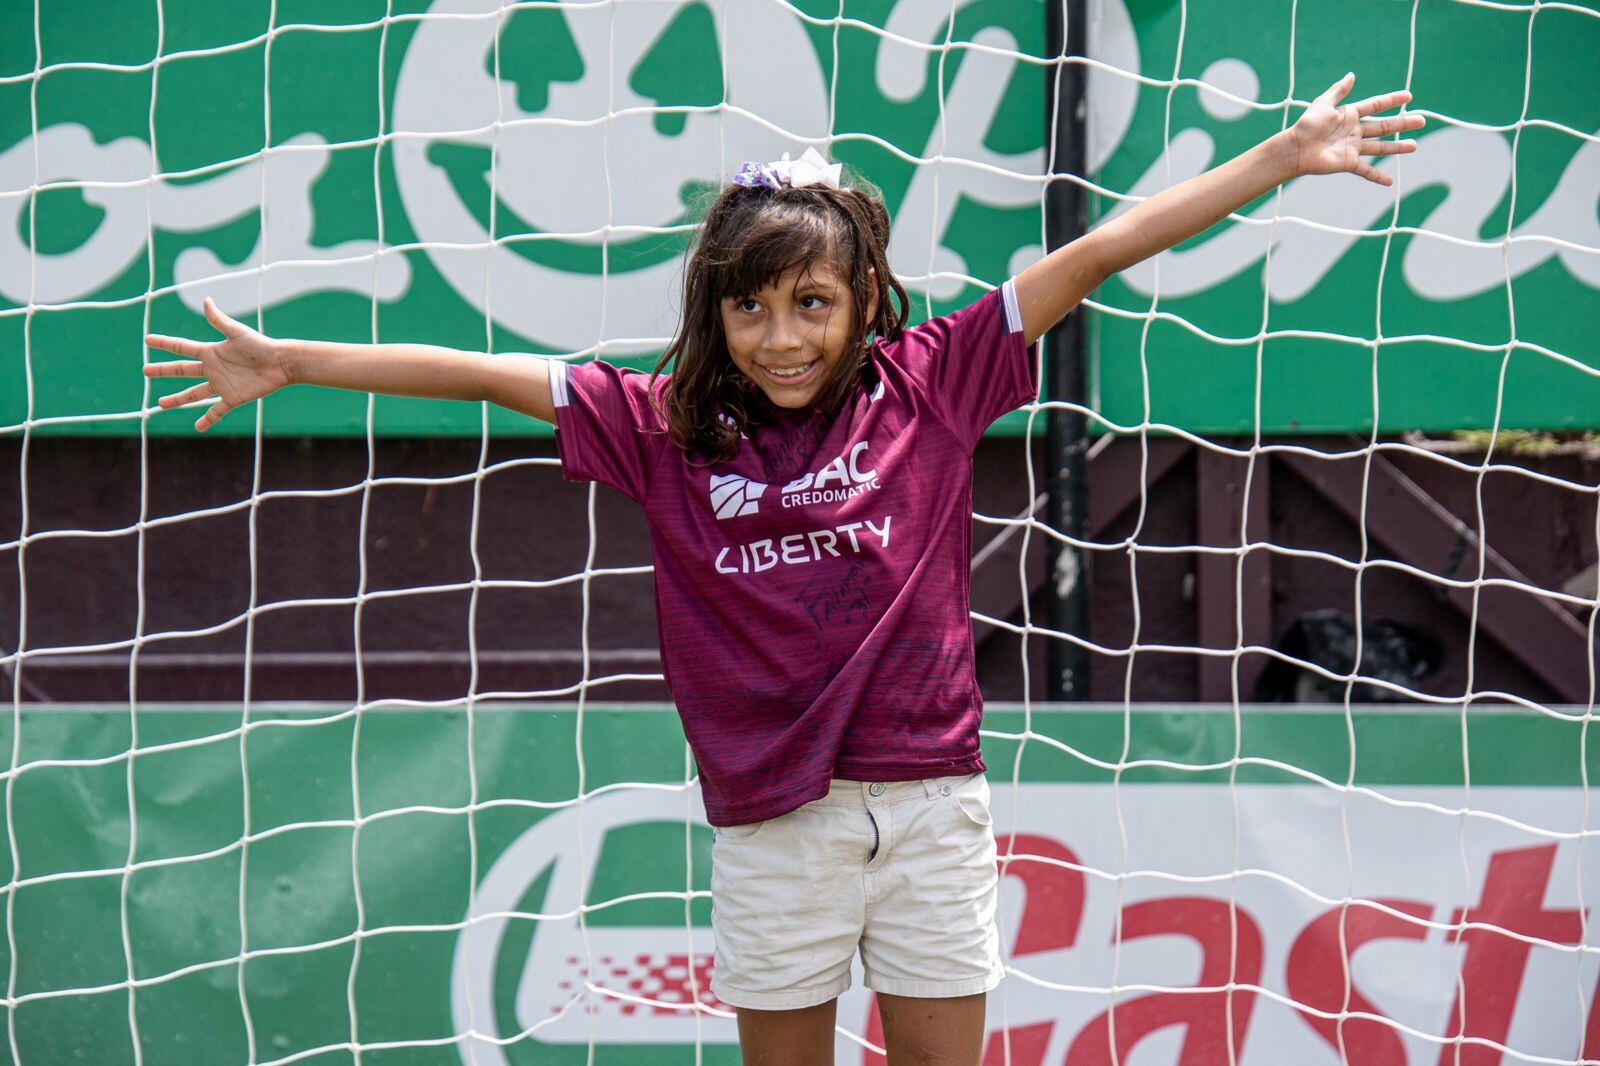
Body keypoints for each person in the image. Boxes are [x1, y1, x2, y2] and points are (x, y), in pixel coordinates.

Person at [143, 74, 1421, 1066]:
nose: (780, 334)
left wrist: (1281, 157)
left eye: (811, 301)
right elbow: (481, 373)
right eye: (749, 307)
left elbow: (1092, 257)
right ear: (715, 313)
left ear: (866, 297)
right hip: (771, 829)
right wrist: (293, 361)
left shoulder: (937, 382)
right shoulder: (658, 425)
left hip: (930, 813)